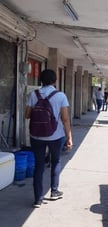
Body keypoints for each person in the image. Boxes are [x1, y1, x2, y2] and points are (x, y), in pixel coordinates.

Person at [25, 69, 73, 208]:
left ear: (40, 80)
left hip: (36, 135)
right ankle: (54, 191)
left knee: (39, 165)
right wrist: (69, 137)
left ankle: (38, 199)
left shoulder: (34, 95)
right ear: (55, 80)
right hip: (55, 136)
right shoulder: (60, 96)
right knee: (56, 161)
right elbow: (65, 119)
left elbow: (27, 115)